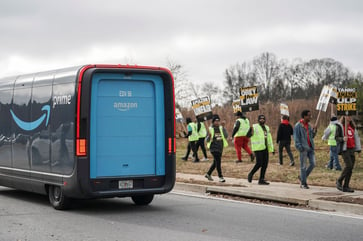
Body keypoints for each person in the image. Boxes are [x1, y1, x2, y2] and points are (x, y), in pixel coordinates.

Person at [336, 116, 361, 193]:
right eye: (347, 116)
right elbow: (336, 137)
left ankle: (346, 186)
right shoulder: (340, 127)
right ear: (344, 117)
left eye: (350, 116)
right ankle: (339, 180)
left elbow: (356, 138)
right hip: (344, 149)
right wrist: (342, 139)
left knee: (350, 168)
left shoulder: (352, 127)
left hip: (352, 149)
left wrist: (358, 148)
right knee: (348, 165)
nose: (349, 117)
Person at [247, 114, 274, 185]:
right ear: (258, 120)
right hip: (258, 147)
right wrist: (250, 131)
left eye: (263, 119)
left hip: (265, 147)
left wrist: (272, 148)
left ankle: (261, 179)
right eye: (260, 119)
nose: (262, 120)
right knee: (259, 163)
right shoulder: (254, 127)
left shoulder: (267, 128)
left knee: (265, 164)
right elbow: (248, 135)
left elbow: (269, 138)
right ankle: (251, 174)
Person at [293, 110, 316, 189]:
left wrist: (314, 130)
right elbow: (296, 138)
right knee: (303, 166)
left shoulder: (309, 126)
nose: (310, 117)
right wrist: (300, 147)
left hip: (310, 147)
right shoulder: (298, 126)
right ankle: (303, 183)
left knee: (313, 164)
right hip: (303, 148)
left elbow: (312, 136)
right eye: (309, 115)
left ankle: (302, 177)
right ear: (304, 116)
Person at [204, 115, 228, 183]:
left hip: (220, 147)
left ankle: (208, 174)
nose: (217, 122)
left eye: (218, 121)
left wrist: (223, 127)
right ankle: (220, 176)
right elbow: (207, 140)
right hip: (213, 148)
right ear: (213, 122)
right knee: (218, 162)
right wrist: (209, 136)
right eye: (215, 121)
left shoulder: (221, 128)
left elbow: (226, 135)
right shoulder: (210, 129)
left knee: (215, 162)